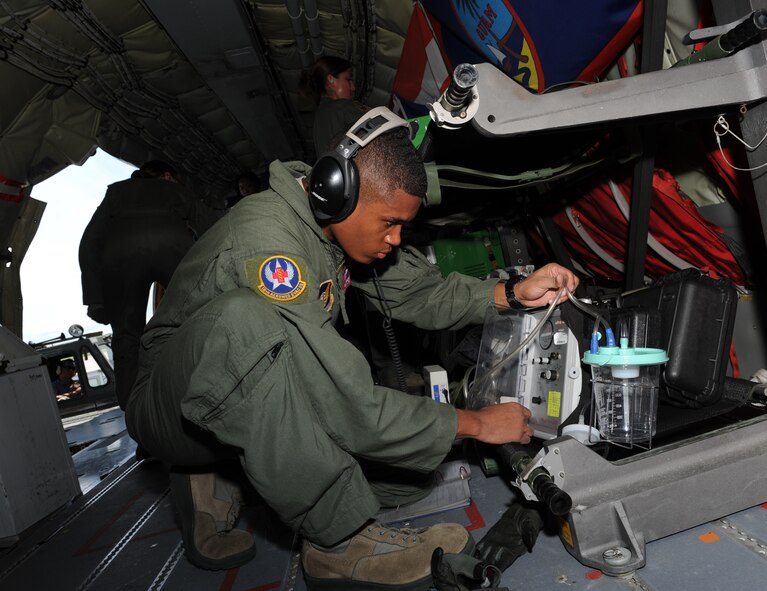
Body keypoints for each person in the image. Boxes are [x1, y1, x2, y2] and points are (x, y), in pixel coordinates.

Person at [124, 108, 578, 590]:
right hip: (170, 407)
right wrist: (478, 424)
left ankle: (228, 466)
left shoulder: (333, 224)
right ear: (337, 192)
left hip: (234, 388)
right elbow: (347, 404)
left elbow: (418, 292)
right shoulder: (269, 249)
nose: (396, 239)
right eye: (388, 223)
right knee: (245, 320)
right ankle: (336, 544)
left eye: (403, 225)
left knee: (403, 479)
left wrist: (511, 292)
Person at [79, 160, 198, 411]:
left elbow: (89, 243)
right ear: (167, 176)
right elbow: (212, 228)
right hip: (174, 247)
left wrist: (95, 297)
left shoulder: (116, 192)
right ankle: (201, 396)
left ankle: (135, 413)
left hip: (121, 257)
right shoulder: (178, 191)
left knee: (126, 337)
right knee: (197, 320)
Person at [306, 55, 367, 154]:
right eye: (348, 79)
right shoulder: (342, 107)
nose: (353, 87)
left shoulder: (320, 118)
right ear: (331, 79)